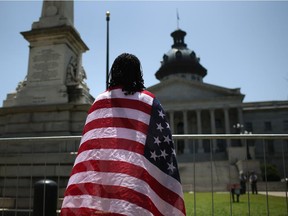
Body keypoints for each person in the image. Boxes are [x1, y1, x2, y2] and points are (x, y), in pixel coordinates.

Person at [60, 53, 186, 215]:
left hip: (104, 179)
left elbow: (90, 148)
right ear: (137, 73)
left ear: (114, 72)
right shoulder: (150, 102)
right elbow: (163, 148)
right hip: (136, 180)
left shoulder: (100, 101)